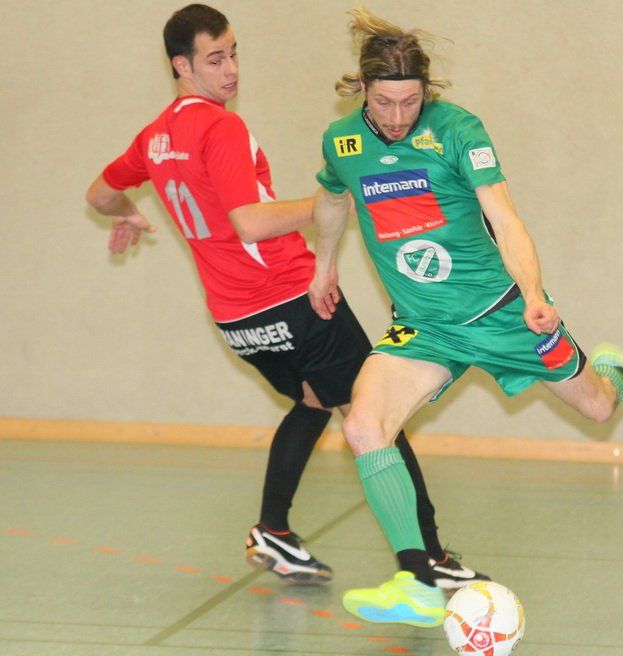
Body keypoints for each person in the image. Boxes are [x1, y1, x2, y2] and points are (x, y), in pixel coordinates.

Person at [84, 3, 486, 590]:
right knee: (376, 417)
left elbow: (99, 195)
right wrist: (338, 198)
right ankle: (427, 561)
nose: (231, 69)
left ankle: (273, 529)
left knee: (315, 400)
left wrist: (126, 213)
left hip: (236, 320)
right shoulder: (219, 127)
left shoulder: (155, 137)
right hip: (293, 300)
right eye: (214, 59)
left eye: (234, 53)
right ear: (181, 65)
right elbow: (249, 222)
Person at [309, 6, 623, 627]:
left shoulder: (458, 130)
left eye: (410, 101)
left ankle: (621, 376)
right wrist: (324, 267)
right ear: (363, 89)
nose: (398, 116)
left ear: (426, 91)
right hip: (424, 325)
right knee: (364, 426)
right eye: (385, 102)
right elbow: (331, 198)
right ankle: (418, 583)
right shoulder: (342, 140)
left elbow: (505, 219)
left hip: (499, 311)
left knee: (596, 408)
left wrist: (533, 293)